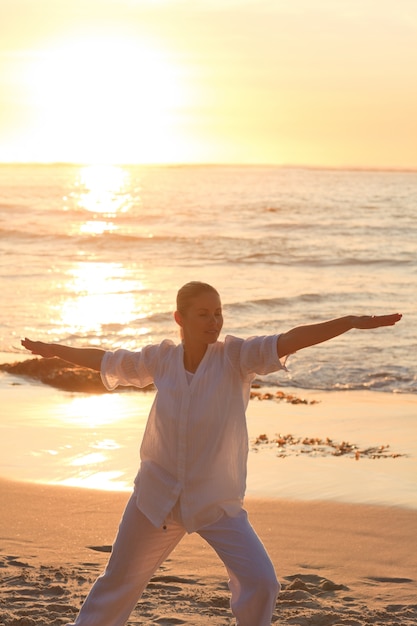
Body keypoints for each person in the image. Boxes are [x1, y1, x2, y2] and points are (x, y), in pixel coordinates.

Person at [21, 281, 402, 626]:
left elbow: (289, 339)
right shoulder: (160, 359)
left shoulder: (237, 357)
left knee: (262, 583)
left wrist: (349, 321)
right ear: (180, 318)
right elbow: (107, 359)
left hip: (215, 502)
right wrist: (53, 350)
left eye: (218, 312)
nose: (214, 321)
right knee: (117, 584)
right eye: (203, 313)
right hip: (155, 498)